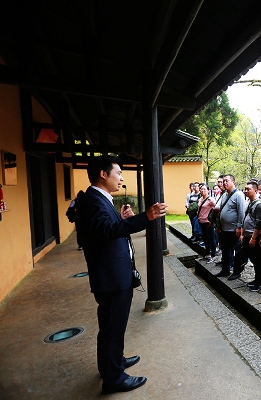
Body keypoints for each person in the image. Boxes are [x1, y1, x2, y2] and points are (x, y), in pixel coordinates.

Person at [77, 155, 167, 394]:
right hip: (111, 277)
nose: (121, 178)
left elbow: (107, 229)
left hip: (114, 275)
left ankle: (111, 363)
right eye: (118, 173)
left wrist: (124, 219)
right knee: (112, 328)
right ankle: (114, 378)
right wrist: (145, 217)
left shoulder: (99, 199)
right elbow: (106, 231)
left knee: (111, 326)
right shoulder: (93, 200)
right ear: (103, 174)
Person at [230, 181, 261, 286]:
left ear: (255, 190)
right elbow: (245, 219)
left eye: (248, 189)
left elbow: (258, 223)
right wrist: (242, 234)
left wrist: (253, 238)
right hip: (246, 236)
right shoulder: (248, 202)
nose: (245, 191)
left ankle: (260, 282)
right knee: (244, 256)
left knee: (257, 260)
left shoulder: (259, 204)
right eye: (245, 189)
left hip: (254, 237)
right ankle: (241, 273)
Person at [214, 174, 246, 278]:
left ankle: (236, 272)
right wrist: (219, 225)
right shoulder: (224, 195)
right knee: (225, 251)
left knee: (236, 252)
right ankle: (225, 270)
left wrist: (239, 227)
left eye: (227, 181)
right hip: (224, 229)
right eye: (223, 181)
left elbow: (241, 212)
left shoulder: (239, 195)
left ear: (233, 182)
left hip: (234, 229)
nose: (224, 183)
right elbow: (221, 211)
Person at [197, 184, 216, 263]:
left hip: (208, 222)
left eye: (204, 189)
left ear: (208, 190)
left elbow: (216, 208)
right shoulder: (200, 199)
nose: (202, 190)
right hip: (201, 221)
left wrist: (212, 219)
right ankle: (207, 253)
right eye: (201, 189)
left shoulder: (210, 199)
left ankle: (213, 255)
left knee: (211, 239)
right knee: (205, 238)